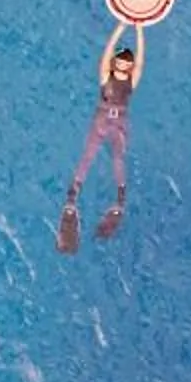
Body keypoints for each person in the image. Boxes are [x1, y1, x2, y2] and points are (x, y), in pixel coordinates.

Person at [58, 19, 144, 252]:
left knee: (118, 157)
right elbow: (106, 54)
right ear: (115, 63)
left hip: (119, 121)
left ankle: (119, 198)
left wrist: (138, 30)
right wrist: (121, 26)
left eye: (127, 64)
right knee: (89, 154)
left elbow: (140, 61)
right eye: (120, 63)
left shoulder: (131, 81)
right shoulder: (106, 76)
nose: (123, 67)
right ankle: (73, 197)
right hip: (104, 117)